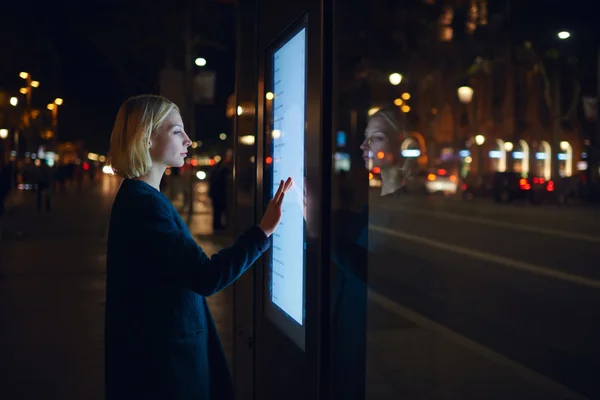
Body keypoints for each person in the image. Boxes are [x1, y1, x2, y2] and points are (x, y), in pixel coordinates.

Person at [104, 94, 292, 400]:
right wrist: (263, 231)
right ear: (147, 138)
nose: (189, 140)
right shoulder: (145, 205)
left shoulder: (139, 197)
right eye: (177, 131)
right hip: (165, 369)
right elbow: (206, 276)